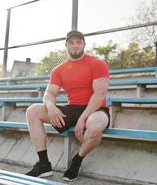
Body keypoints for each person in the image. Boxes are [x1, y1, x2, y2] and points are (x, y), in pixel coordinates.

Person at [25, 30, 110, 182]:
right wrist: (51, 107)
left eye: (78, 42)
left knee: (95, 125)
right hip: (73, 108)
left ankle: (77, 160)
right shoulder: (58, 70)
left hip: (96, 109)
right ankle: (43, 164)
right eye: (71, 43)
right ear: (66, 45)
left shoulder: (97, 63)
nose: (75, 46)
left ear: (84, 44)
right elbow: (49, 94)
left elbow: (100, 95)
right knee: (33, 111)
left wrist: (83, 118)